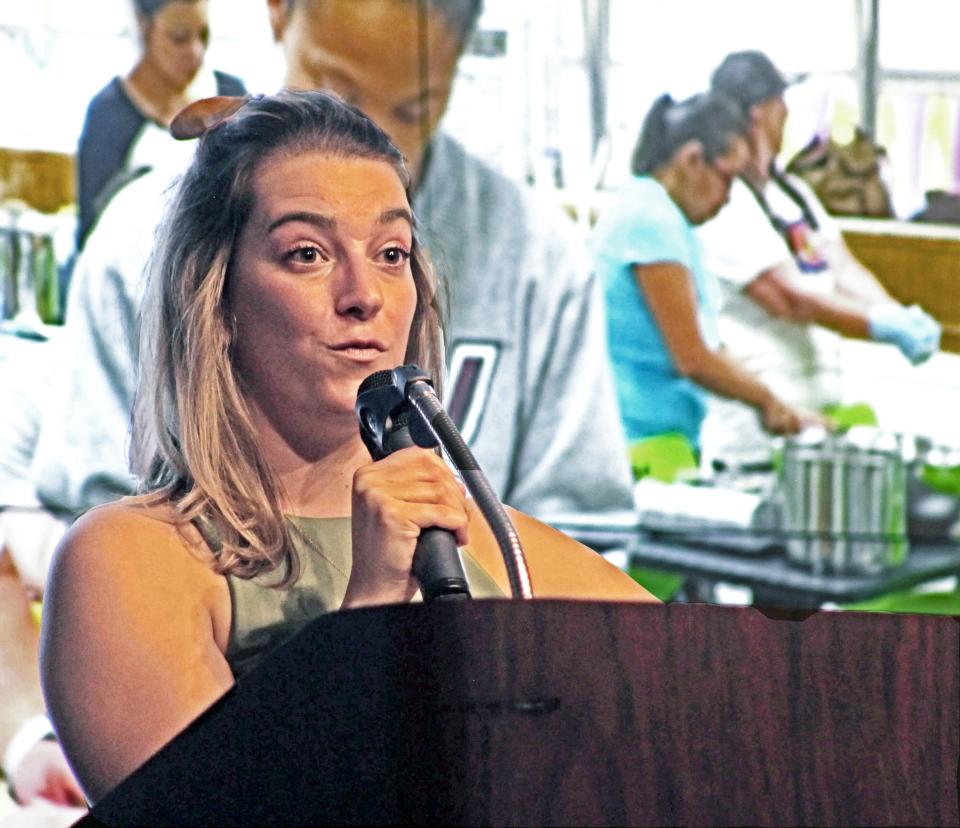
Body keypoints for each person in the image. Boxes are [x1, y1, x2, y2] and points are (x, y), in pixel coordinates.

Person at [38, 90, 655, 805]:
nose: (364, 294)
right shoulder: (132, 560)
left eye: (392, 253)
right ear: (218, 299)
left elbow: (705, 688)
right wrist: (369, 611)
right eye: (307, 253)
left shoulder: (487, 541)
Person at [695, 51, 941, 463]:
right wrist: (876, 324)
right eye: (782, 102)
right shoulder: (725, 202)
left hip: (813, 423)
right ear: (760, 111)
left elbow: (841, 266)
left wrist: (896, 311)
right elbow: (787, 297)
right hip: (757, 437)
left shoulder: (793, 193)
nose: (788, 114)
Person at [590, 92, 815, 455]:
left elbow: (711, 345)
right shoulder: (650, 221)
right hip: (637, 443)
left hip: (661, 440)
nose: (729, 197)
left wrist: (785, 407)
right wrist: (768, 401)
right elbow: (693, 357)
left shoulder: (668, 220)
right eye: (727, 179)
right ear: (692, 159)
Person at [75, 0, 246, 249]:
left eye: (204, 35)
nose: (196, 51)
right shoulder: (111, 114)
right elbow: (91, 236)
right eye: (179, 38)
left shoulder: (230, 97)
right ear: (142, 23)